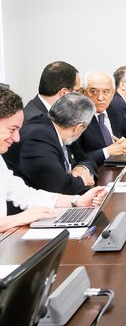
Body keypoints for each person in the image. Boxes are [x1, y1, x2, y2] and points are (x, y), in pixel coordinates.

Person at [0, 88, 106, 233]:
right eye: (12, 129)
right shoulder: (39, 135)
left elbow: (24, 194)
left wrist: (76, 201)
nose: (17, 138)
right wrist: (18, 219)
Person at [3, 93, 97, 195]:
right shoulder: (37, 139)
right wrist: (84, 181)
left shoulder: (63, 132)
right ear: (78, 128)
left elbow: (86, 159)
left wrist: (83, 168)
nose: (15, 137)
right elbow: (60, 186)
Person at [79, 70, 126, 166]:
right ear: (83, 93)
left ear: (113, 94)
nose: (100, 97)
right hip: (96, 173)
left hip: (120, 166)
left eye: (106, 92)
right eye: (94, 91)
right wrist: (107, 152)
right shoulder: (77, 117)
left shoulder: (115, 108)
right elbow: (78, 158)